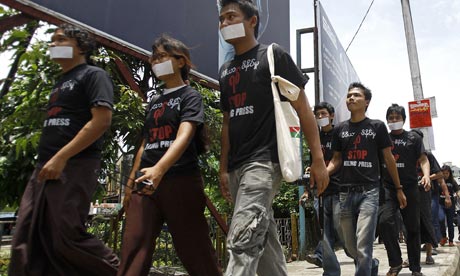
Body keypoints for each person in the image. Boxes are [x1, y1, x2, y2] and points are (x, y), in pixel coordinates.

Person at [217, 0, 329, 275]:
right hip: (236, 166)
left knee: (242, 239)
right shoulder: (225, 69)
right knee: (262, 236)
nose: (224, 24)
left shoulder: (272, 55)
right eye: (221, 20)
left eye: (231, 17)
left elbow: (303, 108)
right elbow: (227, 121)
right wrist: (222, 168)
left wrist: (318, 159)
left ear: (252, 20)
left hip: (264, 161)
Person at [9, 23, 119, 275]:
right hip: (43, 166)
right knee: (27, 233)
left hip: (75, 164)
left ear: (80, 47)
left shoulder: (93, 75)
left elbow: (101, 121)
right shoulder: (59, 83)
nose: (53, 45)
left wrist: (61, 157)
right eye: (52, 41)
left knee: (65, 233)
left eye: (60, 40)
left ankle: (119, 271)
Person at [117, 35, 222, 276]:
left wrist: (160, 169)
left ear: (181, 61)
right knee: (134, 246)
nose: (155, 61)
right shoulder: (154, 101)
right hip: (146, 182)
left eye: (161, 56)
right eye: (153, 57)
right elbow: (146, 142)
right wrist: (132, 182)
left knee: (196, 251)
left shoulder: (189, 96)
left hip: (180, 180)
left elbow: (184, 135)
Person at [325, 83, 407, 276]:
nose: (351, 98)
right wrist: (322, 173)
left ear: (366, 101)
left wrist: (398, 188)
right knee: (349, 245)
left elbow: (389, 159)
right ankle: (371, 264)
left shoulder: (377, 126)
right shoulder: (340, 130)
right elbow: (336, 160)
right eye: (348, 96)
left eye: (356, 95)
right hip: (344, 192)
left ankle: (363, 269)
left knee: (364, 243)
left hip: (369, 191)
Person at [378, 104, 431, 276]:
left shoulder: (414, 138)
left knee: (413, 228)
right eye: (391, 118)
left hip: (410, 187)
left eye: (397, 117)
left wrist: (426, 175)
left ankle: (415, 268)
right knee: (385, 222)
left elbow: (423, 159)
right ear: (387, 121)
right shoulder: (382, 139)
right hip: (388, 188)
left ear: (404, 119)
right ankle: (396, 262)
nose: (394, 121)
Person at [303, 102, 349, 276]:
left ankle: (366, 261)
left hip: (339, 191)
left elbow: (341, 160)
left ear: (331, 116)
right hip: (321, 194)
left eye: (323, 114)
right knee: (325, 235)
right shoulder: (315, 138)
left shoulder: (340, 134)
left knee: (344, 236)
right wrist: (308, 190)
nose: (320, 117)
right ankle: (331, 272)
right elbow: (312, 165)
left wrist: (325, 172)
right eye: (317, 114)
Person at [439, 165, 459, 246]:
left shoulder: (452, 182)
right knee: (441, 219)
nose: (445, 175)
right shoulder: (438, 181)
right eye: (443, 173)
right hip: (440, 204)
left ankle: (451, 240)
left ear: (449, 173)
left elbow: (458, 191)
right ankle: (443, 237)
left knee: (450, 222)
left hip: (450, 205)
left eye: (447, 173)